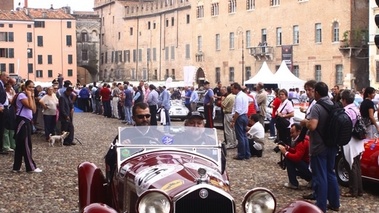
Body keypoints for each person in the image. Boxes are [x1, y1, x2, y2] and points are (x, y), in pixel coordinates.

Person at [302, 81, 340, 212]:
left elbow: (312, 125)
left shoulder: (317, 107)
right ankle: (335, 203)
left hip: (319, 146)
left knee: (321, 176)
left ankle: (321, 206)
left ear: (317, 92)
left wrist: (304, 122)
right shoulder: (334, 104)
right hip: (332, 144)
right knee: (330, 173)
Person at [13, 80, 42, 173]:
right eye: (30, 87)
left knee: (21, 145)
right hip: (22, 121)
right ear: (25, 87)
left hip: (27, 121)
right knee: (26, 144)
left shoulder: (29, 96)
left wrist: (32, 97)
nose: (32, 89)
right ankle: (30, 167)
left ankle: (16, 167)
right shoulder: (22, 95)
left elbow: (33, 109)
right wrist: (29, 96)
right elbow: (29, 106)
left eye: (33, 87)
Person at [340, 89, 364, 198]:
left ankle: (353, 190)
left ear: (344, 100)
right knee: (357, 166)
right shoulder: (356, 108)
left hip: (350, 141)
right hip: (358, 140)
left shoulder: (346, 111)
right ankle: (359, 189)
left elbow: (345, 126)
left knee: (351, 165)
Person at [278, 123, 312, 189]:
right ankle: (310, 179)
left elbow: (297, 158)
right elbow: (298, 151)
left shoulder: (302, 142)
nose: (291, 135)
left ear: (299, 131)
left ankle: (293, 183)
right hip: (309, 166)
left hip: (309, 168)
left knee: (289, 159)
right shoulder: (304, 139)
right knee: (290, 158)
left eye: (292, 133)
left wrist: (285, 153)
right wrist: (287, 148)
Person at [230, 82, 250, 160]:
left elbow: (237, 111)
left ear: (236, 89)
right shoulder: (244, 95)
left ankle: (241, 154)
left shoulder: (238, 97)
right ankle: (247, 153)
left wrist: (233, 121)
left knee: (240, 137)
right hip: (245, 115)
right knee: (244, 136)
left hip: (240, 116)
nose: (231, 91)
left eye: (232, 89)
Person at [0, 72, 10, 154]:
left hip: (4, 108)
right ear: (2, 76)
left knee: (3, 128)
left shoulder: (2, 85)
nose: (8, 79)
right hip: (2, 108)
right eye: (7, 77)